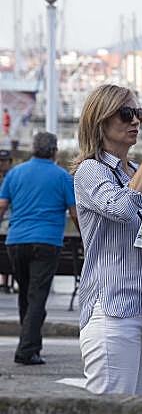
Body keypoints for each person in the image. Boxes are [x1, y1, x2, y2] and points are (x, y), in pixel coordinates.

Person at [73, 84, 142, 396]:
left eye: (139, 114)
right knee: (112, 404)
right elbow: (119, 208)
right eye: (126, 114)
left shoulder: (135, 172)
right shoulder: (90, 170)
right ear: (101, 120)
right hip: (113, 306)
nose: (136, 121)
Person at [0, 132, 78, 365]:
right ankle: (26, 350)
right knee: (37, 296)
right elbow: (75, 214)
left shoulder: (14, 174)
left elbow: (2, 207)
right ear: (54, 151)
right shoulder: (62, 177)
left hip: (16, 242)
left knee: (26, 293)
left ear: (33, 149)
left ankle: (32, 343)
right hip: (46, 242)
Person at [0, 149, 14, 293]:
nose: (1, 164)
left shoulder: (13, 177)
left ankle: (6, 281)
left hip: (10, 220)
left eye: (4, 161)